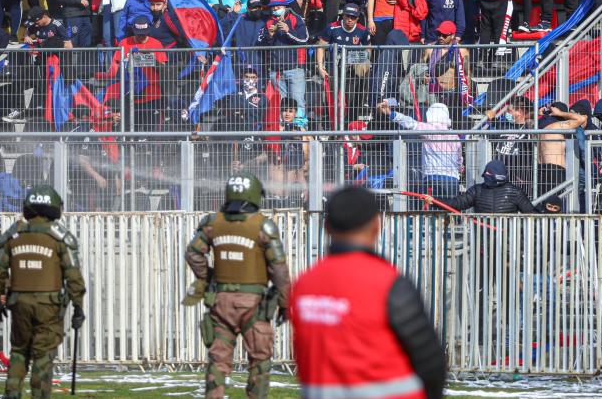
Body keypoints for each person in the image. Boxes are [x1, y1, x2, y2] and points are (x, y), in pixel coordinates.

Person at [290, 186, 446, 399]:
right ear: (376, 225)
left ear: (326, 227)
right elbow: (429, 359)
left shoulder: (303, 284)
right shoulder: (388, 282)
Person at [182, 172, 291, 398]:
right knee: (259, 362)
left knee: (217, 362)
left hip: (221, 302)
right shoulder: (263, 226)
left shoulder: (213, 223)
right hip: (254, 304)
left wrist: (209, 276)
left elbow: (193, 253)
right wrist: (285, 301)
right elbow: (278, 268)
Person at [0, 185, 86, 399]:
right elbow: (74, 276)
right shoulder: (60, 237)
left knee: (19, 352)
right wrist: (78, 306)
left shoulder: (15, 233)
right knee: (43, 355)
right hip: (48, 306)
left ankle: (11, 393)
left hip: (19, 304)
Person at [378, 100, 463, 199]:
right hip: (453, 179)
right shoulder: (454, 136)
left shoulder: (429, 129)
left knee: (433, 210)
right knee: (451, 210)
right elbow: (459, 160)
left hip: (433, 178)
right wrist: (461, 169)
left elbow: (410, 123)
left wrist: (391, 113)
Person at [316, 3, 370, 121]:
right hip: (333, 69)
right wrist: (320, 67)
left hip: (352, 71)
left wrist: (359, 60)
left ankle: (349, 126)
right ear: (343, 16)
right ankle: (333, 127)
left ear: (357, 18)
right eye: (347, 16)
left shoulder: (362, 31)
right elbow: (320, 47)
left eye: (353, 17)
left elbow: (368, 48)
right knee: (332, 99)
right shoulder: (332, 28)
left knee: (351, 99)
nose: (350, 19)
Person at [257, 0, 309, 112]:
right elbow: (262, 45)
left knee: (298, 102)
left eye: (278, 5)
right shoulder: (268, 22)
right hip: (276, 71)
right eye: (273, 6)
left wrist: (288, 30)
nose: (275, 8)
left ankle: (300, 128)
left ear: (284, 6)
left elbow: (304, 40)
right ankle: (282, 129)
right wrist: (269, 36)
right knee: (280, 105)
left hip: (295, 69)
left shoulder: (296, 18)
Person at [425, 159, 537, 213]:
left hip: (508, 240)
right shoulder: (477, 191)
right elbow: (457, 203)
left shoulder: (515, 192)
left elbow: (532, 214)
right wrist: (435, 201)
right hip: (482, 241)